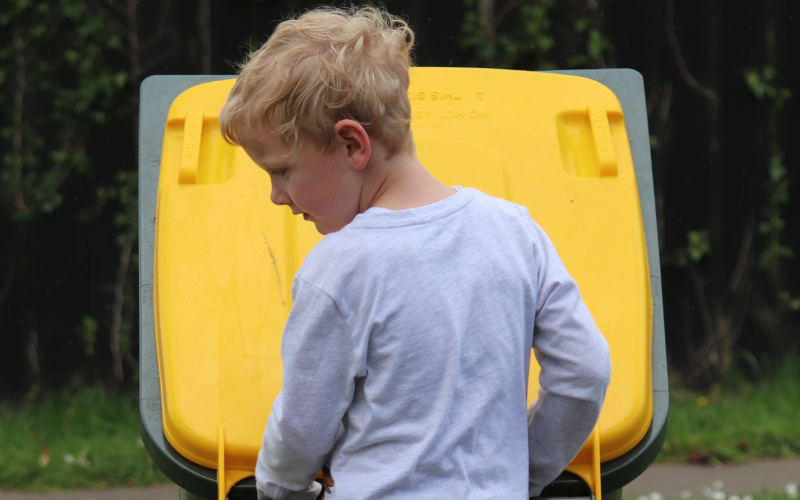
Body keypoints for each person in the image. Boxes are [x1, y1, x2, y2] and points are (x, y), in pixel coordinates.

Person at [219, 6, 611, 500]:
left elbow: (302, 425)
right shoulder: (515, 231)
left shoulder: (341, 267)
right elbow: (585, 370)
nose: (277, 195)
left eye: (281, 171)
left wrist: (281, 490)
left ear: (351, 145)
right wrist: (522, 474)